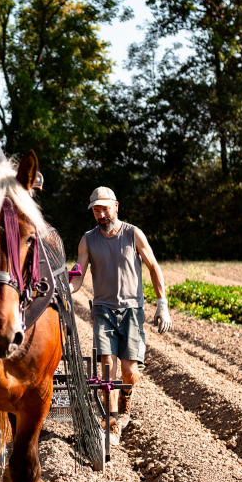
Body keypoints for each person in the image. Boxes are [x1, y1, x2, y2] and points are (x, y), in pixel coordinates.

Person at [69, 186, 171, 444]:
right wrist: (66, 290)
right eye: (96, 210)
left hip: (131, 311)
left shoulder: (133, 234)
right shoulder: (87, 240)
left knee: (129, 370)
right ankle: (112, 422)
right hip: (103, 310)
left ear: (116, 206)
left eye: (105, 208)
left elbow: (153, 266)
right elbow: (78, 275)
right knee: (107, 369)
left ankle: (126, 400)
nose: (101, 214)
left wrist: (162, 304)